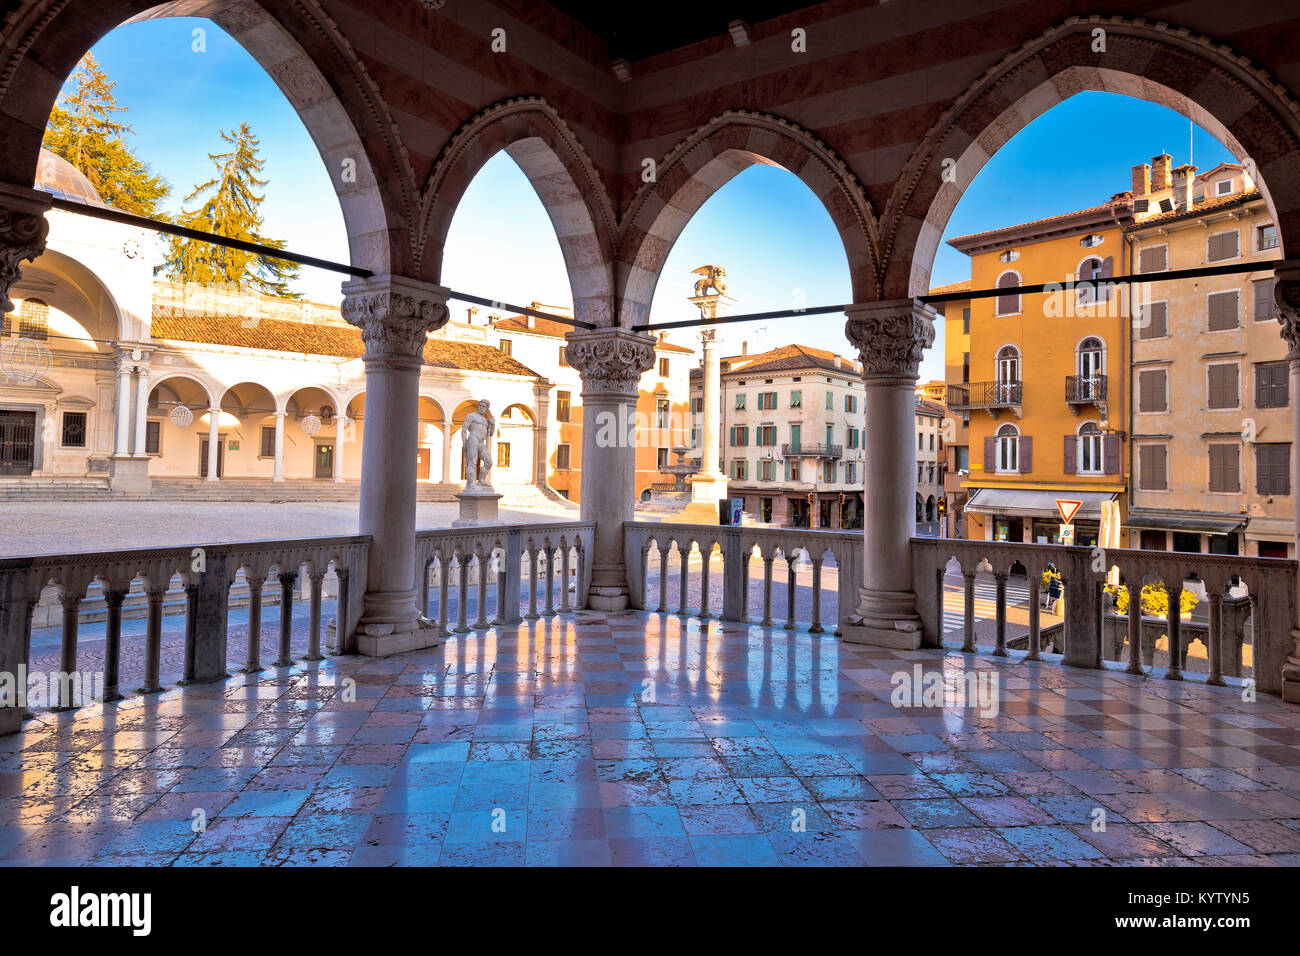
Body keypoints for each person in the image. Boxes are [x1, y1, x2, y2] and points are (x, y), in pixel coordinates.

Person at [460, 399, 495, 490]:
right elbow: (464, 429)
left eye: (484, 406)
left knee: (489, 462)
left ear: (487, 409)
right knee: (472, 462)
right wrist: (464, 443)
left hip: (481, 442)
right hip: (473, 439)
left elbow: (490, 433)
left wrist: (493, 424)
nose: (482, 407)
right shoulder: (471, 416)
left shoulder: (487, 421)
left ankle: (482, 480)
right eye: (480, 405)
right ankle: (471, 484)